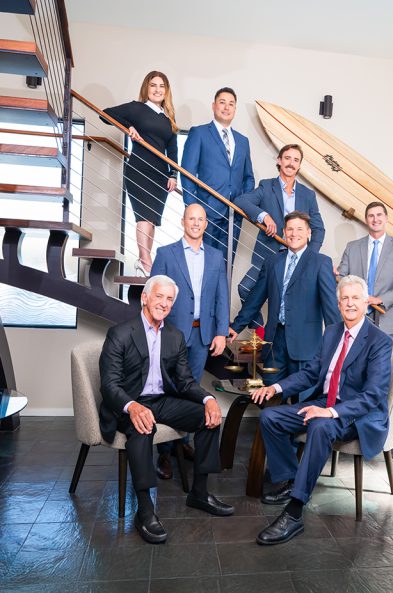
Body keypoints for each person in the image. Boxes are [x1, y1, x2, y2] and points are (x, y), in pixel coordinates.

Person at [250, 275, 393, 545]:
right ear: (338, 305)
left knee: (320, 425)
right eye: (344, 299)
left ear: (366, 302)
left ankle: (294, 511)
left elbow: (373, 394)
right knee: (270, 417)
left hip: (356, 413)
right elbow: (310, 373)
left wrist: (331, 412)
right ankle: (292, 481)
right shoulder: (332, 332)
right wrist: (276, 388)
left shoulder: (379, 340)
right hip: (326, 401)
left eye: (356, 298)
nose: (350, 303)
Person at [99, 275, 233, 544]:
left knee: (208, 417)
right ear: (145, 298)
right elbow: (109, 385)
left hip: (161, 400)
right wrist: (132, 406)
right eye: (159, 296)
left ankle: (199, 492)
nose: (164, 303)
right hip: (129, 404)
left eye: (169, 299)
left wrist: (208, 399)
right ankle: (145, 509)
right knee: (142, 427)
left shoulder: (174, 336)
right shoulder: (120, 333)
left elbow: (184, 382)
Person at [150, 203, 229, 479]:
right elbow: (153, 293)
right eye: (191, 219)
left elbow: (221, 296)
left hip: (202, 334)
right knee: (168, 389)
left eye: (200, 219)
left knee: (192, 389)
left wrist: (221, 332)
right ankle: (164, 451)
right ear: (183, 221)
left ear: (206, 224)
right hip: (171, 333)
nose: (196, 223)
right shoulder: (166, 253)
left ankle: (182, 444)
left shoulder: (216, 257)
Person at [229, 211, 340, 385]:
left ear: (309, 232)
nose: (294, 233)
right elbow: (255, 298)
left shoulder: (321, 263)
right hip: (275, 342)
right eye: (290, 229)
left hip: (306, 346)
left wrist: (337, 344)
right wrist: (236, 326)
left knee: (302, 398)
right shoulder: (272, 261)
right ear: (284, 232)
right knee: (269, 393)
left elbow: (331, 308)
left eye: (299, 229)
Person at [104, 71, 179, 275]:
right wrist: (128, 125)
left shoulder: (169, 118)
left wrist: (173, 175)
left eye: (162, 86)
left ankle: (143, 261)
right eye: (153, 85)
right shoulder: (137, 108)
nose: (157, 90)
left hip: (160, 175)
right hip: (139, 169)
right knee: (144, 217)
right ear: (146, 88)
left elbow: (173, 151)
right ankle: (147, 262)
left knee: (152, 220)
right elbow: (105, 113)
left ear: (167, 91)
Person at [234, 144, 325, 311]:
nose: (291, 163)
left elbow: (319, 229)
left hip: (296, 259)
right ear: (279, 161)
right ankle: (259, 327)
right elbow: (240, 201)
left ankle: (278, 328)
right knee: (245, 288)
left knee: (289, 303)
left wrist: (308, 256)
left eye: (296, 160)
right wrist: (264, 216)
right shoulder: (266, 186)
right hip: (267, 255)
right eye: (287, 158)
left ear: (299, 165)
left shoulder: (308, 195)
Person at [181, 87, 254, 268]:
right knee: (202, 266)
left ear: (235, 109)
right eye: (222, 102)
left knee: (225, 268)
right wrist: (193, 210)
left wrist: (243, 205)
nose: (226, 107)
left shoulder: (243, 141)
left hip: (233, 216)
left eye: (231, 104)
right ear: (214, 106)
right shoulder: (199, 133)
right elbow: (187, 172)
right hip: (206, 213)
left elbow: (248, 178)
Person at [337, 202, 393, 339]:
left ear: (386, 218)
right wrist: (333, 274)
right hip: (355, 316)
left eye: (379, 215)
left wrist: (380, 299)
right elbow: (341, 278)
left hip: (387, 318)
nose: (375, 219)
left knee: (380, 354)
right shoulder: (352, 247)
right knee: (355, 353)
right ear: (366, 220)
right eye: (371, 216)